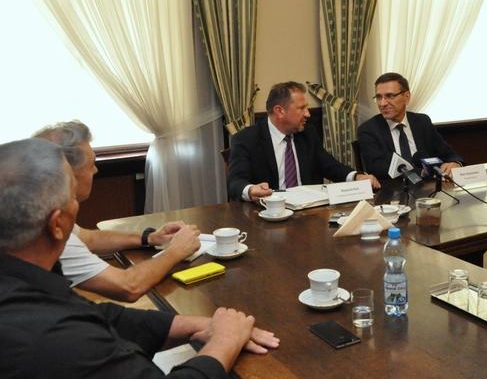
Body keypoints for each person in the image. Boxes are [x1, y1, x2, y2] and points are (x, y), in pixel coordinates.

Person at [0, 138, 279, 378]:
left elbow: (100, 315)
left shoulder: (27, 279)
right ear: (57, 224)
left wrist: (199, 325)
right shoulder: (58, 339)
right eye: (72, 197)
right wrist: (225, 341)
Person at [33, 121, 200, 302]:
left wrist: (150, 238)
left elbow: (88, 238)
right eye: (91, 165)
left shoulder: (39, 206)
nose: (96, 170)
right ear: (68, 173)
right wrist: (176, 251)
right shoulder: (49, 230)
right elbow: (129, 286)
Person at [228, 81, 380, 201]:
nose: (308, 114)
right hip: (268, 214)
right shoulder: (246, 139)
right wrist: (250, 190)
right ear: (279, 111)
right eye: (302, 108)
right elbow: (235, 182)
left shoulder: (307, 132)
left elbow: (329, 165)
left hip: (308, 212)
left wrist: (356, 176)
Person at [358, 72, 463, 181]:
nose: (382, 103)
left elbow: (447, 153)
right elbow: (377, 169)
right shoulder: (368, 129)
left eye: (390, 96)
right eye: (379, 97)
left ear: (406, 97)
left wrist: (455, 163)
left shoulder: (422, 121)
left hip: (430, 185)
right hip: (395, 187)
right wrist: (421, 173)